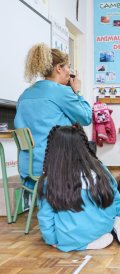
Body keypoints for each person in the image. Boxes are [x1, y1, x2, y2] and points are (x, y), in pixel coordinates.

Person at [37, 125, 120, 252]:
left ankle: (85, 244)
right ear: (83, 144)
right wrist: (119, 216)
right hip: (104, 224)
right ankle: (106, 230)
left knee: (68, 235)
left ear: (54, 149)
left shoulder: (52, 179)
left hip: (74, 235)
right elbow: (115, 196)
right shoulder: (100, 167)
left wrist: (52, 240)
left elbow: (46, 215)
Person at [14, 43, 92, 186]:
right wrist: (77, 92)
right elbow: (86, 118)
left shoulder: (24, 95)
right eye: (68, 66)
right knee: (103, 175)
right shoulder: (61, 92)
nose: (70, 71)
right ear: (58, 68)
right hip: (55, 169)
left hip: (28, 171)